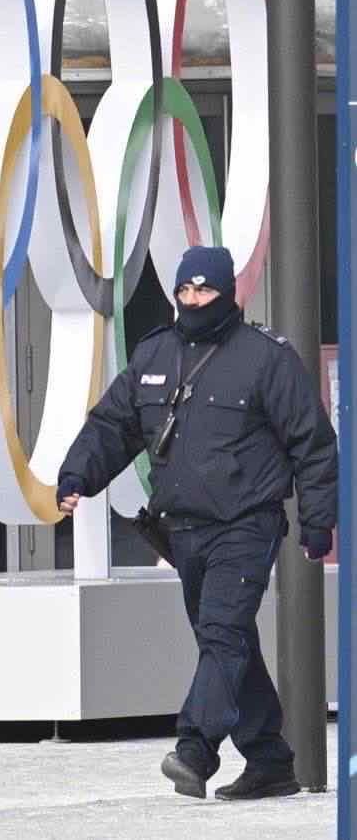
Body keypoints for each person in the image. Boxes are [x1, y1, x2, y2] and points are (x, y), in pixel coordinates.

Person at [56, 246, 337, 801]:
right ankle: (269, 759)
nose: (193, 302)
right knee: (227, 643)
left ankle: (195, 749)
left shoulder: (266, 359)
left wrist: (317, 522)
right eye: (184, 292)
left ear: (228, 294)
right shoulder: (154, 354)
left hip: (246, 523)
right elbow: (114, 424)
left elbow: (313, 444)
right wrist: (76, 476)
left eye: (204, 292)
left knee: (221, 633)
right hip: (183, 529)